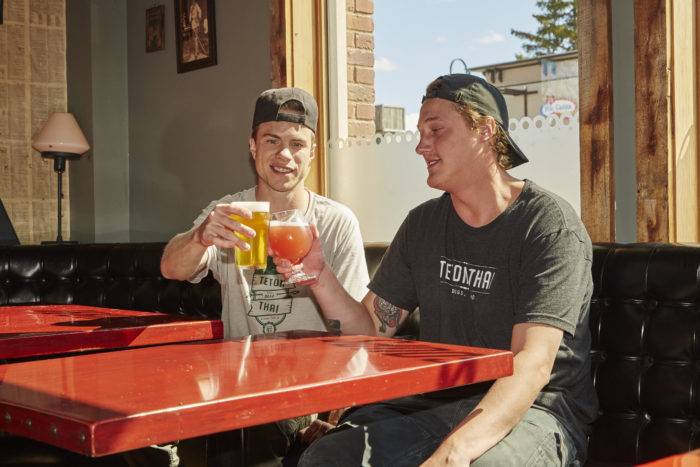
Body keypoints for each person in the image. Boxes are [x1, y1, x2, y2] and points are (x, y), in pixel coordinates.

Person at [275, 74, 599, 466]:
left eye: (436, 130)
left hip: (536, 411)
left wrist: (452, 455)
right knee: (326, 457)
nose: (419, 145)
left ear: (485, 131)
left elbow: (530, 366)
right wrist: (319, 274)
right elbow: (370, 331)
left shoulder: (548, 225)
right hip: (436, 405)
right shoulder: (423, 225)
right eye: (419, 132)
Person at [160, 86, 369, 466]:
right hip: (242, 388)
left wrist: (333, 413)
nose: (284, 155)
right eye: (271, 140)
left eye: (297, 144)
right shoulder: (229, 212)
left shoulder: (335, 222)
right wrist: (200, 235)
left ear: (312, 153)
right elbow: (171, 267)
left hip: (310, 391)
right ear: (253, 146)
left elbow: (357, 333)